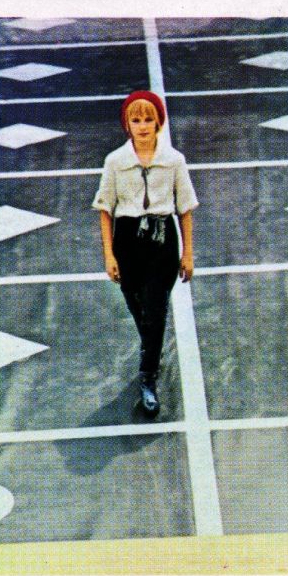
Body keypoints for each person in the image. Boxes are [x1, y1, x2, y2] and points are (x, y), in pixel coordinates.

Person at [92, 90, 199, 417]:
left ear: (158, 123)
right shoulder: (115, 162)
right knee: (138, 306)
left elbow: (185, 209)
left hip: (162, 241)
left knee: (156, 309)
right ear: (127, 124)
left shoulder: (174, 160)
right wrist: (109, 255)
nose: (142, 126)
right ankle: (152, 348)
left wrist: (188, 253)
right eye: (135, 120)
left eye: (148, 119)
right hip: (127, 242)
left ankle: (148, 377)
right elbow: (105, 210)